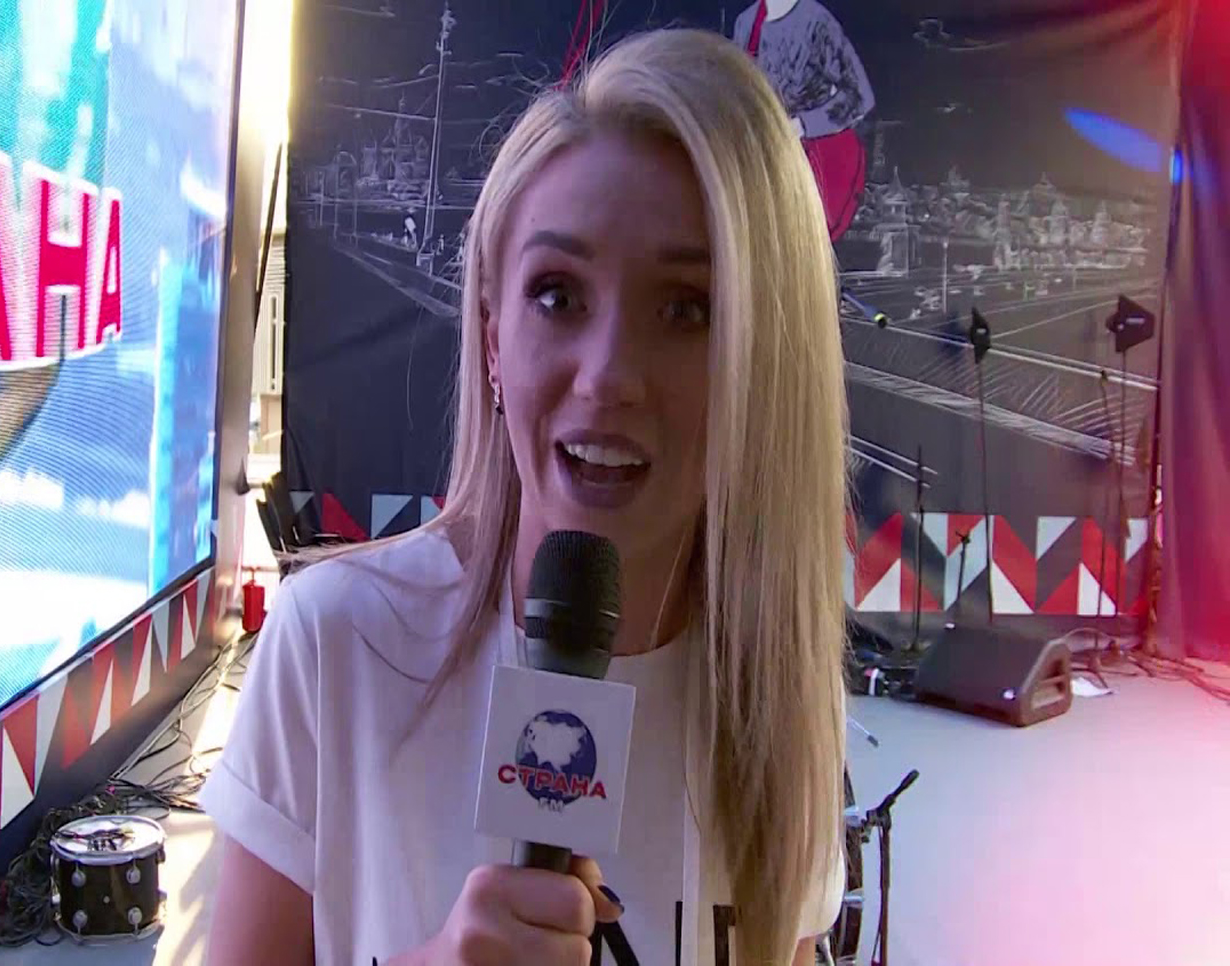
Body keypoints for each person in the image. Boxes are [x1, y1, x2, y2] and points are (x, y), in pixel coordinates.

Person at [202, 27, 848, 966]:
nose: (608, 375)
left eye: (686, 309)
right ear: (493, 339)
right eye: (557, 295)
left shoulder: (777, 697)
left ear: (763, 358)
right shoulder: (334, 645)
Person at [733, 0, 875, 240]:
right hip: (763, 164)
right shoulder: (745, 22)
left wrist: (802, 125)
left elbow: (859, 95)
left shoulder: (817, 22)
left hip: (813, 167)